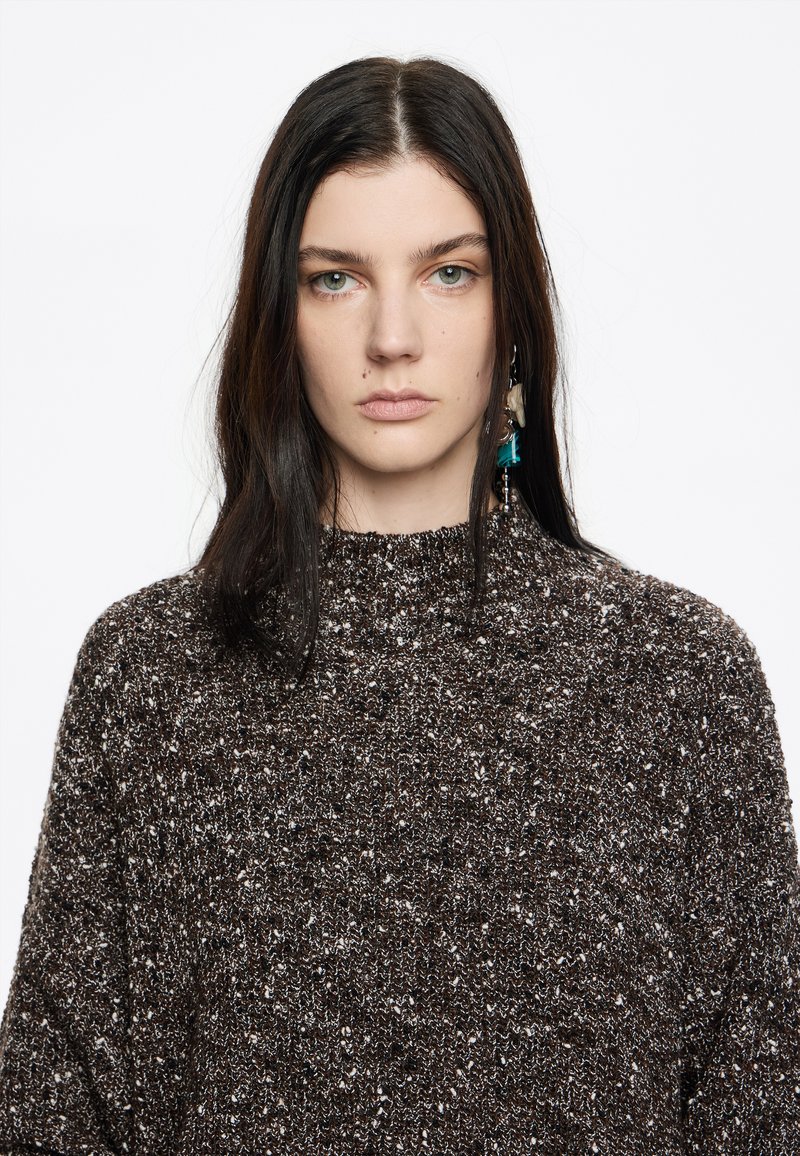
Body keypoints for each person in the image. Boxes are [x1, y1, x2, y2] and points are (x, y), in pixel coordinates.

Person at [0, 54, 798, 1154]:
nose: (392, 337)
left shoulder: (678, 679)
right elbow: (54, 1118)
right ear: (279, 315)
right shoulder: (150, 675)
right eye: (335, 278)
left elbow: (759, 1111)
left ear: (511, 309)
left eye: (448, 273)